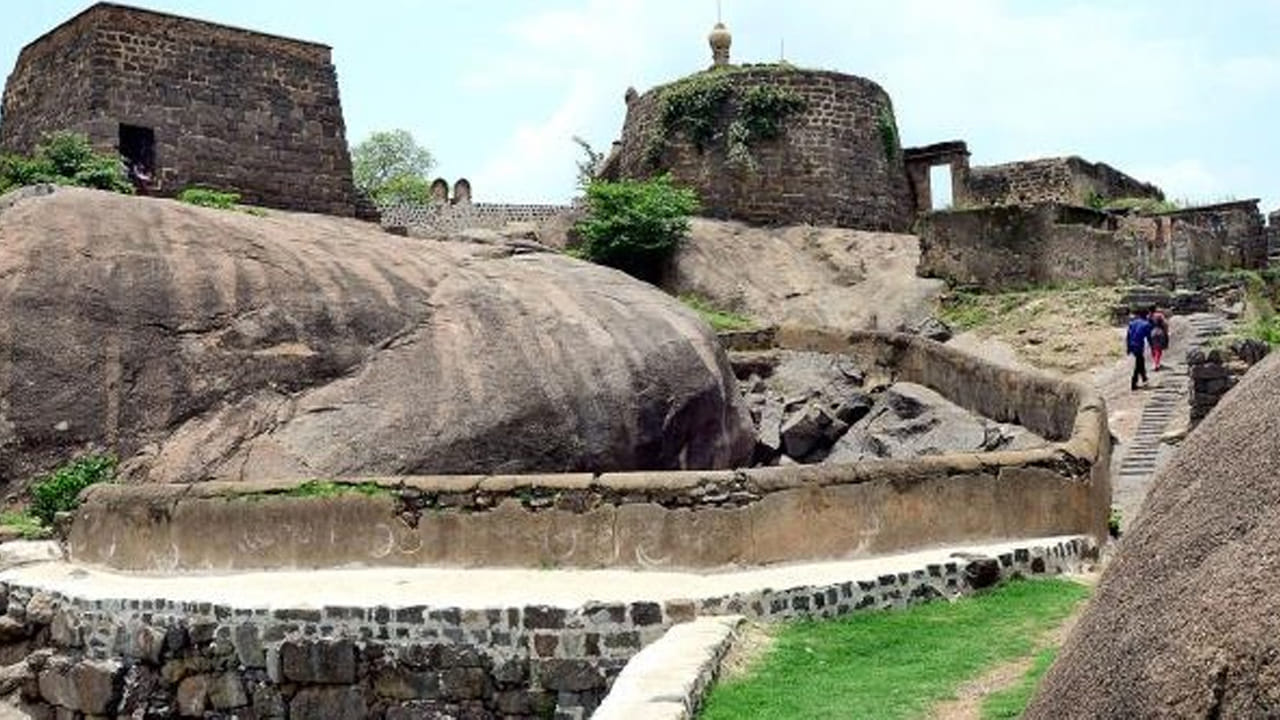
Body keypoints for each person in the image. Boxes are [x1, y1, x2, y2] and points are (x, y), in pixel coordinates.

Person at [1127, 307, 1153, 391]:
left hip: (1132, 344)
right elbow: (1149, 337)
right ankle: (1134, 382)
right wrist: (1152, 346)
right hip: (1139, 345)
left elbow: (1128, 335)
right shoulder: (1146, 324)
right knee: (1139, 363)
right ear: (1146, 315)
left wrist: (1128, 347)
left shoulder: (1132, 323)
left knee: (1140, 361)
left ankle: (1144, 378)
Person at [1149, 305, 1170, 370]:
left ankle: (1155, 362)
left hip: (1152, 333)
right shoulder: (1160, 315)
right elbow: (1165, 324)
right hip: (1160, 332)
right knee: (1158, 349)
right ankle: (1156, 363)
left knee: (1153, 348)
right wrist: (1166, 332)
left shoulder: (1149, 316)